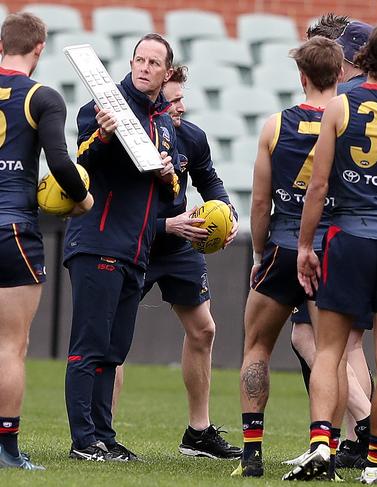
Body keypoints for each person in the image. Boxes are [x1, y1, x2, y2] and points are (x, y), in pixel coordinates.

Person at [284, 22, 377, 485]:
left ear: (366, 57)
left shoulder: (340, 106)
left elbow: (318, 185)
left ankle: (321, 446)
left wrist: (306, 245)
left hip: (348, 238)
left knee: (329, 350)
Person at [111, 65, 241, 460]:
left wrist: (227, 212)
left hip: (178, 246)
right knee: (112, 339)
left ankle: (198, 433)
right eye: (175, 99)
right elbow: (117, 207)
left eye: (183, 98)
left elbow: (210, 181)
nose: (181, 106)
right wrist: (168, 224)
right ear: (153, 100)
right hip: (136, 242)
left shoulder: (192, 137)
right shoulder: (127, 139)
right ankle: (102, 433)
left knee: (204, 330)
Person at [231, 35, 344, 478]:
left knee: (256, 346)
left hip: (282, 246)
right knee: (330, 353)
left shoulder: (276, 126)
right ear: (339, 74)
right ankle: (323, 447)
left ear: (301, 77)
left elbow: (260, 204)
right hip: (331, 250)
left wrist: (260, 253)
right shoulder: (348, 123)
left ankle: (251, 454)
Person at [64, 33, 177, 462]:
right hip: (98, 242)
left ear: (167, 72)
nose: (145, 67)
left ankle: (104, 437)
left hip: (137, 249)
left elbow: (171, 193)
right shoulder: (102, 107)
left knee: (114, 351)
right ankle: (83, 440)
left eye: (154, 63)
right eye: (139, 60)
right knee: (88, 346)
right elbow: (81, 165)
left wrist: (169, 174)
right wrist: (105, 136)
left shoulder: (165, 124)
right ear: (130, 63)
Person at [0, 12, 93, 470]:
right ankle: (6, 449)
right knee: (10, 344)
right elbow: (59, 161)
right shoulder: (42, 96)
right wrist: (83, 199)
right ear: (39, 48)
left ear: (1, 45)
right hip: (13, 229)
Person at [286, 14, 374, 471]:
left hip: (334, 232)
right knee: (352, 343)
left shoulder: (343, 103)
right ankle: (359, 439)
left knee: (311, 337)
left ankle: (363, 424)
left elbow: (316, 181)